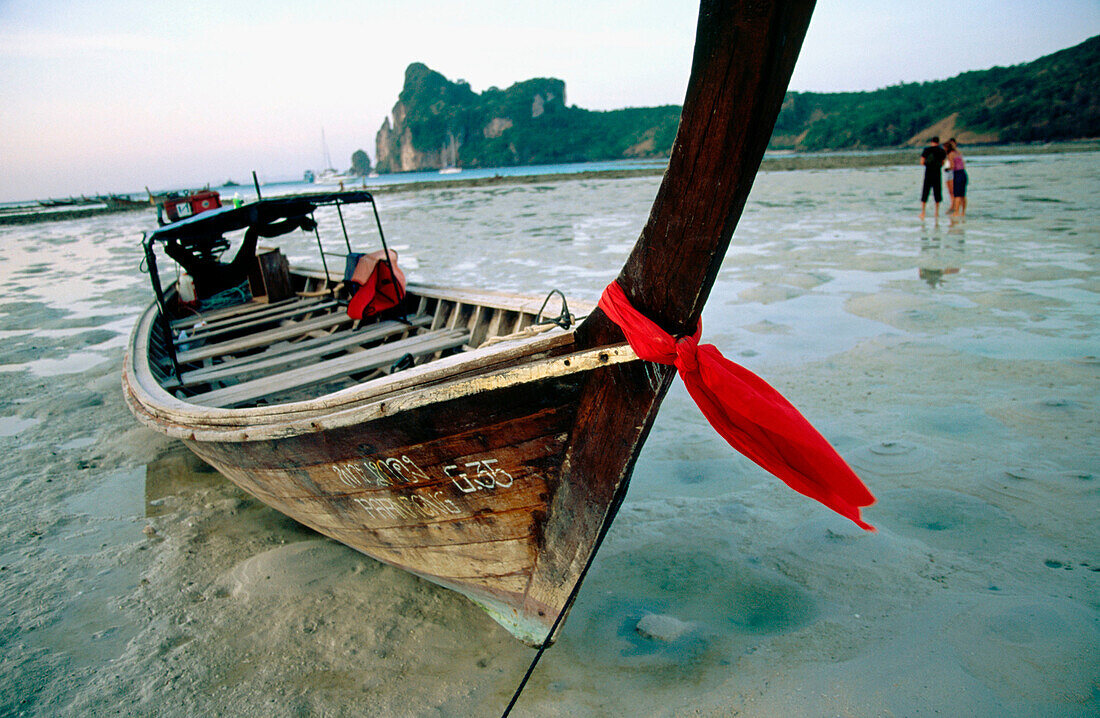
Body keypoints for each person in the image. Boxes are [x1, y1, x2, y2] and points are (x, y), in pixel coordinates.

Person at [165, 214, 316, 303]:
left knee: (253, 232)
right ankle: (298, 220)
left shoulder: (196, 267)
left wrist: (171, 229)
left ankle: (298, 220)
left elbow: (172, 249)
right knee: (253, 232)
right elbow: (173, 250)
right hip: (232, 278)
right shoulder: (198, 267)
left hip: (231, 277)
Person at [919, 136, 947, 220]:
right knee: (937, 192)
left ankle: (923, 212)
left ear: (931, 142)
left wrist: (928, 165)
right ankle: (936, 212)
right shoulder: (942, 151)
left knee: (925, 192)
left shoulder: (926, 150)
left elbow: (922, 162)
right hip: (937, 173)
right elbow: (943, 163)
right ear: (938, 142)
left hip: (928, 173)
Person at [945, 138, 968, 218]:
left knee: (957, 195)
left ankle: (956, 212)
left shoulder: (950, 154)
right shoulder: (958, 153)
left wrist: (946, 169)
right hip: (963, 173)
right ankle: (963, 212)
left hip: (957, 173)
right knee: (963, 195)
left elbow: (952, 166)